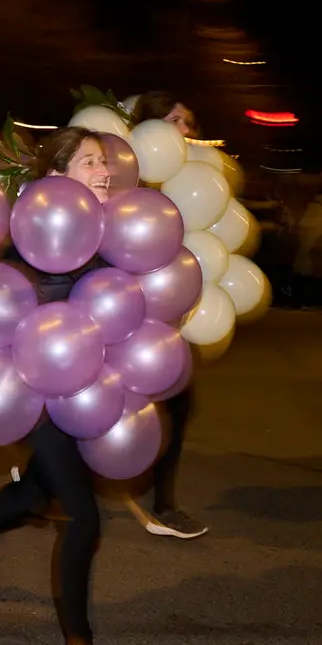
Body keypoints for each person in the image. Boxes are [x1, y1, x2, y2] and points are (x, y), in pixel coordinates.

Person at [0, 127, 114, 645]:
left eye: (104, 161)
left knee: (41, 492)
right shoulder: (30, 234)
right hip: (35, 390)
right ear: (58, 176)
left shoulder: (113, 230)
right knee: (84, 517)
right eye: (90, 162)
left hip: (86, 390)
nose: (105, 170)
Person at [122, 91, 208, 539]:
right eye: (174, 119)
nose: (183, 129)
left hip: (175, 314)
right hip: (122, 312)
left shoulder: (195, 184)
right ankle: (43, 480)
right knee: (93, 403)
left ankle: (165, 504)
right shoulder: (124, 178)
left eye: (188, 121)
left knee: (179, 403)